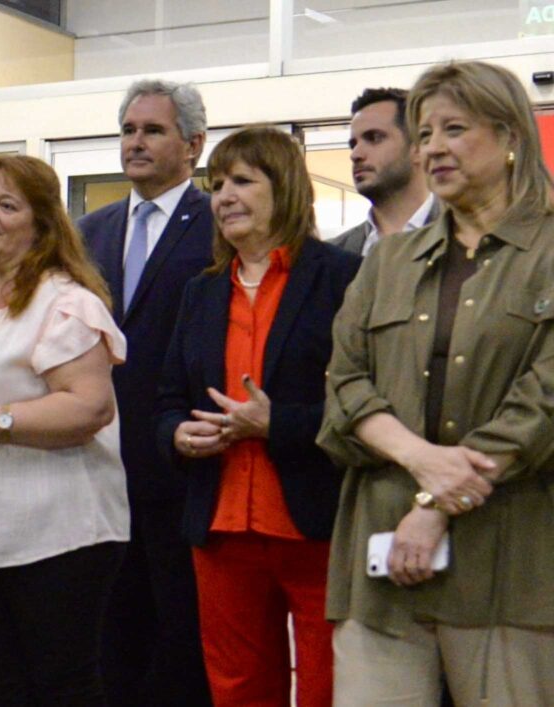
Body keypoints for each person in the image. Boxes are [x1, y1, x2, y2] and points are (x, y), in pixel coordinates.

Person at [318, 60, 554, 706]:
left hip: (514, 571)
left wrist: (434, 508)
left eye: (454, 128)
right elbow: (343, 386)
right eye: (424, 134)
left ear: (510, 136)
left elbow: (543, 404)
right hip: (381, 568)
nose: (433, 149)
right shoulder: (386, 260)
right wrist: (422, 462)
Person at [154, 125, 360, 705]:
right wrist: (179, 435)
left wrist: (278, 424)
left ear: (286, 188)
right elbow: (168, 399)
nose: (223, 196)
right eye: (217, 184)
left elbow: (366, 403)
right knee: (238, 688)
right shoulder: (201, 291)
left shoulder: (340, 278)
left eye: (243, 180)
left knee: (327, 688)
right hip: (220, 528)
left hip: (315, 523)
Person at [0, 154, 129, 706]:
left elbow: (90, 408)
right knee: (7, 684)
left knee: (61, 686)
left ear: (42, 224)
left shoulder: (65, 302)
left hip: (58, 534)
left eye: (8, 205)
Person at [78, 78, 213, 707]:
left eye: (152, 130)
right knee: (109, 643)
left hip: (180, 470)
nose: (135, 142)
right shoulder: (90, 231)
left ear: (194, 144)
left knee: (182, 646)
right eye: (129, 130)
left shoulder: (217, 221)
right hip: (97, 472)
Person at [332, 87, 440, 255]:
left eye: (374, 138)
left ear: (419, 148)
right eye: (353, 144)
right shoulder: (332, 256)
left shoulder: (469, 240)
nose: (355, 154)